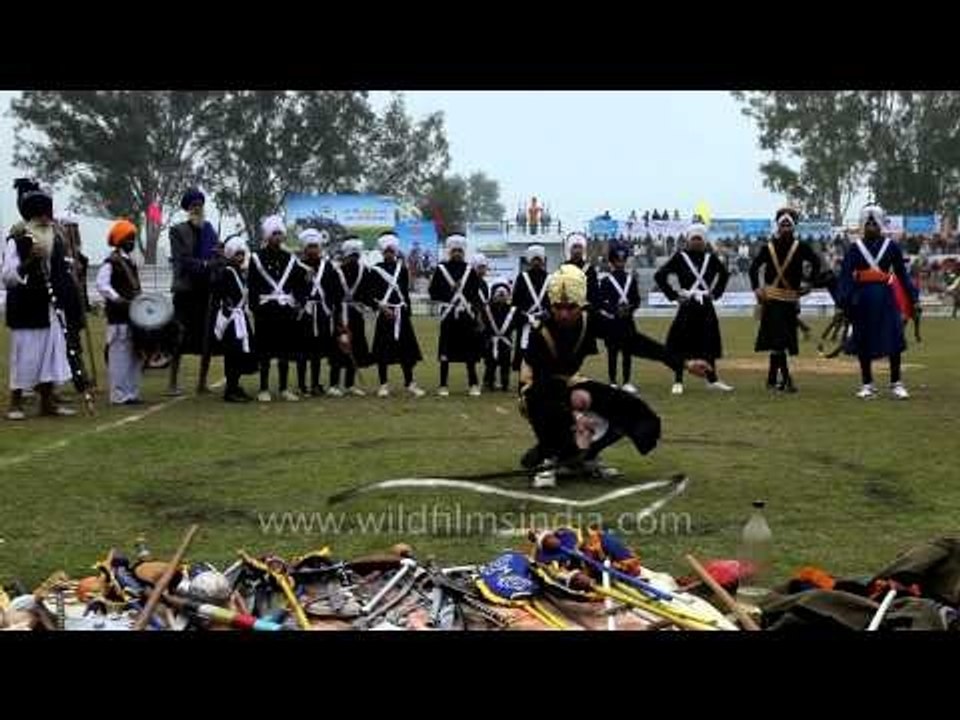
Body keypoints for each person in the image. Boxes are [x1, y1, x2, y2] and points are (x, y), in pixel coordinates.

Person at [518, 265, 711, 488]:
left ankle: (586, 456)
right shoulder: (540, 330)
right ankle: (547, 459)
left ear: (582, 303)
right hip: (537, 389)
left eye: (571, 307)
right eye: (557, 307)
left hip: (570, 382)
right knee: (565, 404)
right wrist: (575, 417)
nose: (564, 314)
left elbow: (631, 340)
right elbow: (544, 385)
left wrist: (684, 363)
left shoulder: (590, 319)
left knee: (628, 409)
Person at [3, 179, 79, 420]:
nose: (47, 218)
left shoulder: (56, 238)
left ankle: (47, 403)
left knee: (50, 355)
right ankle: (15, 404)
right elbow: (8, 276)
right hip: (26, 308)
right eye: (43, 213)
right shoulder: (18, 239)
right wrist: (28, 262)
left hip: (51, 307)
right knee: (25, 355)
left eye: (49, 213)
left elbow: (61, 270)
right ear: (34, 215)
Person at [837, 205, 919, 400]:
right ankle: (867, 384)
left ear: (881, 225)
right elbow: (845, 277)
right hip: (862, 299)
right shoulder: (854, 248)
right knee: (863, 341)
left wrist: (913, 297)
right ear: (862, 225)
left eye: (874, 223)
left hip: (886, 297)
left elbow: (902, 275)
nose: (871, 227)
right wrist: (845, 300)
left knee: (894, 339)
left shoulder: (891, 247)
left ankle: (896, 383)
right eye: (868, 223)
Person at [653, 223, 733, 395]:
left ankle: (712, 380)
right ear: (688, 240)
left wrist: (716, 293)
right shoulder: (680, 257)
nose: (697, 242)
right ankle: (678, 381)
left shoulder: (711, 258)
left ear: (705, 241)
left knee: (708, 343)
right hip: (688, 304)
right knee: (681, 343)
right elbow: (659, 276)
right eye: (694, 238)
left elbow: (724, 274)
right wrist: (674, 295)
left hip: (705, 304)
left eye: (700, 239)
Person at [749, 207, 821, 392]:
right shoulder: (768, 247)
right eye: (783, 225)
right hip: (772, 300)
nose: (786, 228)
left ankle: (772, 380)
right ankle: (787, 380)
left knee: (780, 343)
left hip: (790, 301)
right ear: (778, 227)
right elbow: (753, 268)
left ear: (794, 226)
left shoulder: (801, 247)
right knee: (779, 341)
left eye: (789, 225)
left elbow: (816, 263)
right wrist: (756, 288)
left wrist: (810, 284)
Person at [248, 215, 309, 402]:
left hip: (285, 311)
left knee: (285, 351)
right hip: (265, 311)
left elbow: (299, 283)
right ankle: (263, 388)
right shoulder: (256, 258)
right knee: (265, 352)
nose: (278, 237)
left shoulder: (289, 258)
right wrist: (255, 307)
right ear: (267, 236)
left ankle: (283, 388)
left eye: (280, 233)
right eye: (274, 233)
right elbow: (252, 284)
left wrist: (299, 301)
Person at [167, 188, 220, 396]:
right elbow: (182, 260)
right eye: (193, 205)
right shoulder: (177, 231)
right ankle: (172, 383)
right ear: (188, 209)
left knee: (207, 338)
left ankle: (202, 383)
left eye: (200, 205)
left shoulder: (210, 230)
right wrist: (206, 264)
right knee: (178, 337)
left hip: (206, 291)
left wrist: (219, 258)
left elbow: (217, 254)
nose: (197, 208)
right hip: (186, 291)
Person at [362, 233, 425, 398]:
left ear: (395, 251)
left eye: (391, 251)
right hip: (384, 314)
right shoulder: (375, 270)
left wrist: (407, 313)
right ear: (383, 252)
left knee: (406, 351)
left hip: (401, 314)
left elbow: (404, 292)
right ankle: (383, 385)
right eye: (386, 251)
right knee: (382, 351)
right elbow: (368, 295)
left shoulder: (402, 269)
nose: (389, 253)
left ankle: (410, 383)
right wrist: (381, 308)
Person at [428, 234, 484, 397]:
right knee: (445, 351)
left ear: (463, 252)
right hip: (448, 315)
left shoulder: (469, 270)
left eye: (460, 251)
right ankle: (443, 385)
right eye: (454, 251)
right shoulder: (441, 269)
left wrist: (478, 316)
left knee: (469, 352)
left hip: (466, 315)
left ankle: (473, 384)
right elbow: (433, 293)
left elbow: (474, 295)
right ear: (449, 252)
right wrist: (449, 291)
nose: (457, 253)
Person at [96, 220, 144, 405]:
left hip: (133, 316)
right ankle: (119, 395)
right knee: (119, 357)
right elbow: (102, 284)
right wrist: (118, 299)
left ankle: (131, 393)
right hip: (118, 317)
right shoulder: (112, 262)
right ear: (120, 240)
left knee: (134, 356)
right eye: (129, 239)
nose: (132, 242)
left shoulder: (129, 261)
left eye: (133, 239)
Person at [296, 229, 344, 398]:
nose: (313, 250)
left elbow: (336, 291)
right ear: (304, 248)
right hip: (305, 314)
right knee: (303, 352)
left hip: (323, 314)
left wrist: (336, 312)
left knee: (317, 352)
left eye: (315, 246)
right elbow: (294, 290)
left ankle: (315, 384)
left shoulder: (328, 266)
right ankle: (302, 386)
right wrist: (304, 292)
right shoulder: (298, 267)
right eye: (310, 246)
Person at [214, 238, 257, 403]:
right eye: (237, 254)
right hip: (232, 319)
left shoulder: (239, 271)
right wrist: (227, 302)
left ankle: (235, 386)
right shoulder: (227, 271)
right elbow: (220, 291)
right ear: (230, 255)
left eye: (242, 254)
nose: (240, 257)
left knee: (240, 354)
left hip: (240, 318)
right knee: (232, 355)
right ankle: (230, 389)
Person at [328, 238, 372, 396]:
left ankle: (349, 384)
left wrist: (374, 305)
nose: (354, 259)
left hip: (356, 314)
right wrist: (338, 316)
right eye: (352, 255)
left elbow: (367, 294)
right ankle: (334, 384)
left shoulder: (364, 271)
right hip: (340, 314)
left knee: (355, 347)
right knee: (339, 347)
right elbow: (332, 295)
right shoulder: (336, 272)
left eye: (356, 256)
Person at [597, 241, 641, 393]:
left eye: (622, 260)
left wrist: (630, 309)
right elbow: (601, 302)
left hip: (627, 321)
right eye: (617, 260)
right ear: (612, 261)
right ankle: (613, 381)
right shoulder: (605, 281)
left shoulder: (631, 280)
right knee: (612, 353)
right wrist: (615, 310)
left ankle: (627, 381)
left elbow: (636, 300)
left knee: (627, 353)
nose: (620, 263)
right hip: (612, 322)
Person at [511, 244, 550, 371]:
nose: (536, 262)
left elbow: (551, 300)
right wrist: (523, 316)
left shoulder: (549, 278)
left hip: (543, 322)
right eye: (534, 259)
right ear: (529, 261)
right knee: (524, 351)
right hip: (525, 321)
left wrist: (547, 313)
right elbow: (516, 301)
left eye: (539, 259)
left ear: (543, 260)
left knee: (543, 351)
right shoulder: (522, 277)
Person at [481, 281, 521, 392]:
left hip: (506, 341)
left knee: (505, 363)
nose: (501, 297)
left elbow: (520, 319)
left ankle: (505, 383)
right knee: (490, 363)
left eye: (503, 295)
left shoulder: (512, 310)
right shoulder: (487, 309)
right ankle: (488, 382)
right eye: (499, 294)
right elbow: (482, 323)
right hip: (491, 340)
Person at [562, 232, 601, 307]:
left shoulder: (590, 269)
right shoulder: (563, 268)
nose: (577, 250)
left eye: (580, 247)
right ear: (570, 249)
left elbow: (594, 293)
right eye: (575, 247)